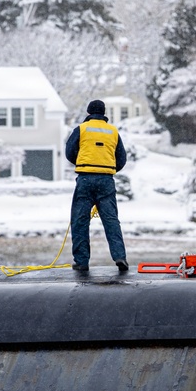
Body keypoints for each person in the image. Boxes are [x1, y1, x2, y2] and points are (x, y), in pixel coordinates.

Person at [65, 99, 129, 273]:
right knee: (111, 221)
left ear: (88, 113)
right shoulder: (113, 131)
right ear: (104, 113)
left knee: (80, 221)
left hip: (85, 179)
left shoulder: (81, 129)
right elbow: (121, 158)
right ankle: (120, 257)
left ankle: (82, 261)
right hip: (106, 180)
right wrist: (108, 168)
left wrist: (82, 162)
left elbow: (69, 152)